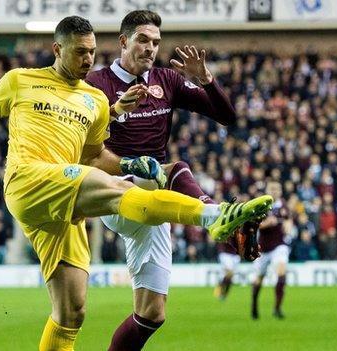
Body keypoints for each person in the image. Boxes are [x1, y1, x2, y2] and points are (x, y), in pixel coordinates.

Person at [0, 16, 272, 351]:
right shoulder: (22, 79)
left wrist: (130, 159)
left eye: (92, 52)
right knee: (131, 185)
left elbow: (96, 156)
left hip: (74, 199)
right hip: (32, 178)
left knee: (73, 314)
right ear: (57, 49)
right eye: (80, 52)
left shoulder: (95, 99)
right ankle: (214, 217)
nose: (87, 59)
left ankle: (213, 217)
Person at [86, 10, 261, 349]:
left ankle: (218, 220)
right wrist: (114, 111)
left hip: (156, 200)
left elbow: (227, 117)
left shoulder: (167, 80)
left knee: (152, 314)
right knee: (172, 167)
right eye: (143, 40)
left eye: (156, 42)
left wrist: (207, 80)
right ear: (124, 41)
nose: (151, 48)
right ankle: (215, 216)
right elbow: (82, 143)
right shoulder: (97, 85)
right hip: (116, 193)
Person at [251, 182, 290, 320]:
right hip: (263, 248)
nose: (275, 191)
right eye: (272, 189)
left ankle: (277, 308)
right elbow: (253, 225)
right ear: (267, 191)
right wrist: (267, 223)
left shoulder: (284, 206)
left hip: (279, 245)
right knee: (258, 279)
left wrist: (288, 227)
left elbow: (288, 221)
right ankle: (254, 305)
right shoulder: (261, 206)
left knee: (281, 273)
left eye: (277, 189)